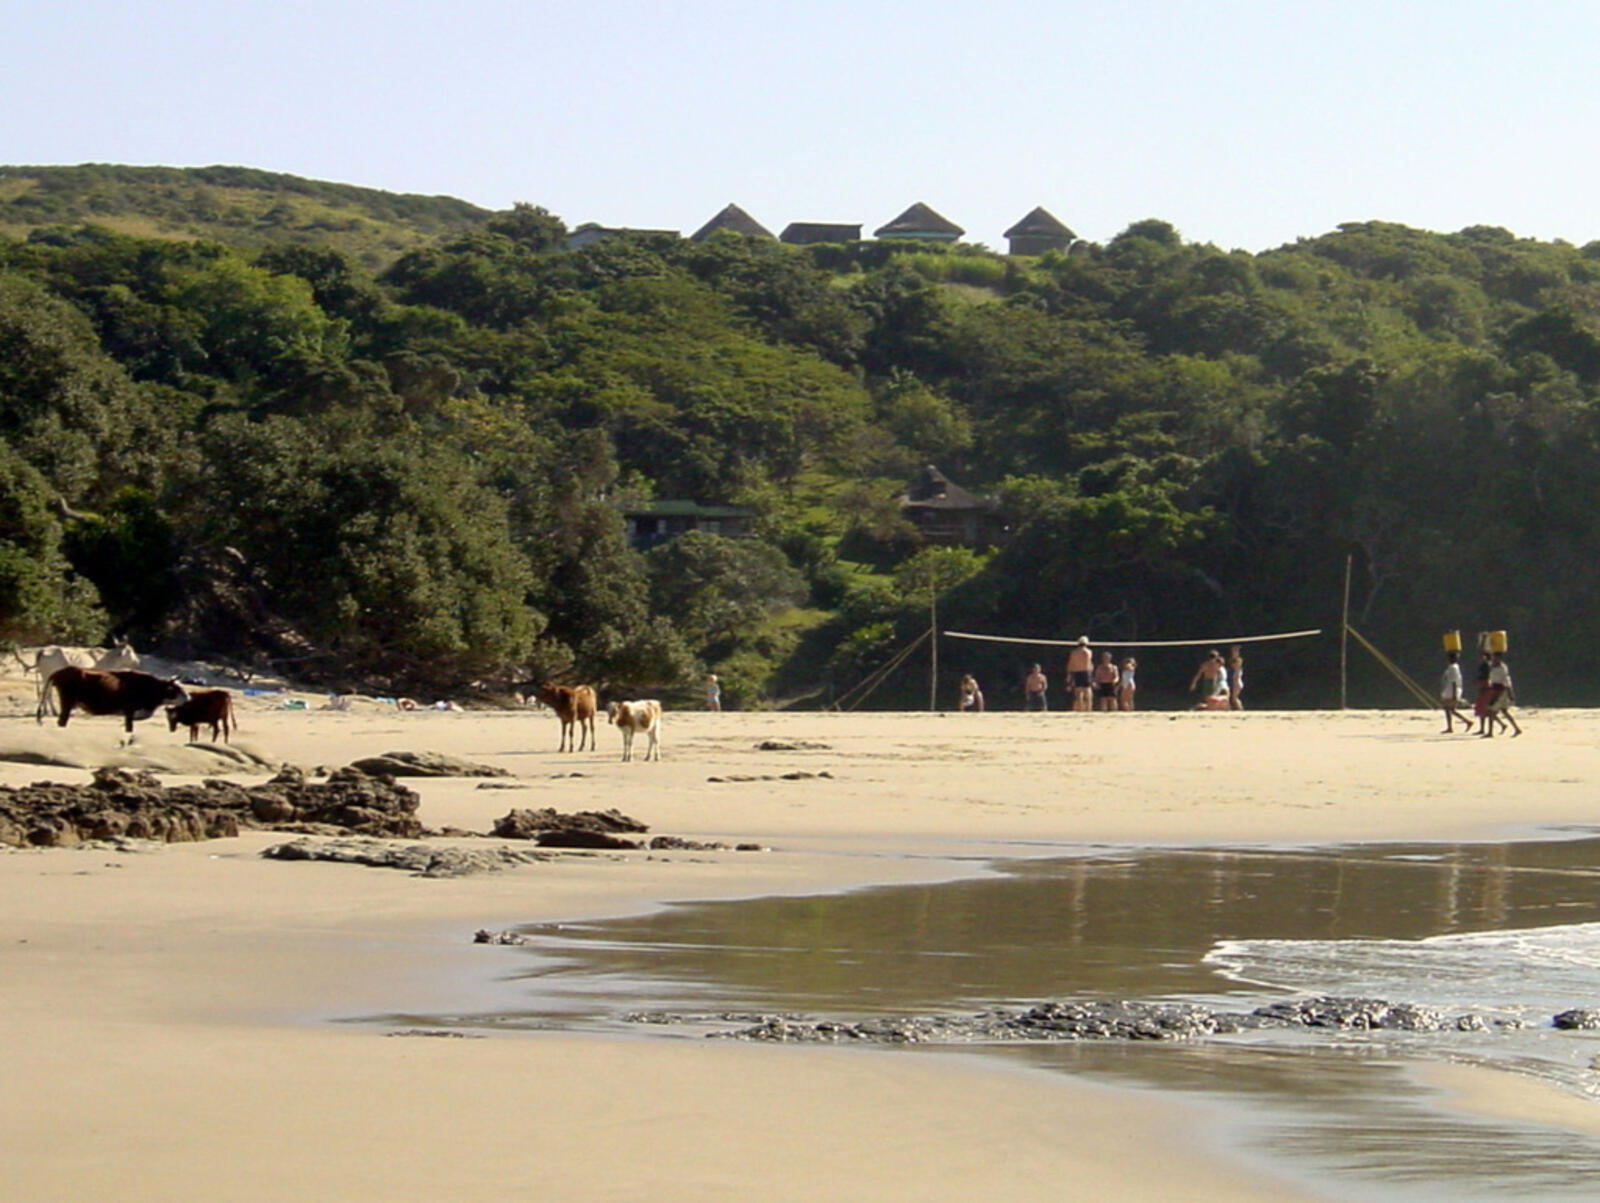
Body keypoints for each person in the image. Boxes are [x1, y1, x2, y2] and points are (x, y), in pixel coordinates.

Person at [1481, 651, 1522, 738]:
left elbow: (1506, 681)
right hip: (1495, 688)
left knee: (1491, 710)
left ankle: (1490, 732)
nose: (1493, 659)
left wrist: (1510, 693)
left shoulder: (1502, 667)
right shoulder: (1492, 666)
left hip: (1501, 690)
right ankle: (1516, 728)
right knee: (1503, 711)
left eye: (1495, 657)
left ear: (1499, 658)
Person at [1438, 650, 1472, 733]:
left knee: (1448, 709)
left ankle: (1451, 727)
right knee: (1451, 710)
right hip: (1451, 691)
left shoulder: (1453, 668)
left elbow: (1454, 682)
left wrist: (1454, 695)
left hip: (1451, 692)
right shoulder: (1454, 667)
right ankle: (1466, 722)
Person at [1066, 636, 1094, 712]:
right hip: (1086, 672)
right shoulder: (1088, 652)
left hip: (1077, 672)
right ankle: (1088, 709)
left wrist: (1069, 674)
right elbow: (1090, 664)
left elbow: (1071, 664)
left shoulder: (1074, 653)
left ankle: (1080, 709)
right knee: (1087, 691)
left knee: (1078, 692)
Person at [1227, 645, 1245, 711]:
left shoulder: (1238, 663)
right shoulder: (1236, 666)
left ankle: (1241, 709)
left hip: (1237, 683)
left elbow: (1235, 660)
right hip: (1236, 683)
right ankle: (1238, 709)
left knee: (1234, 698)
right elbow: (1233, 660)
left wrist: (1235, 651)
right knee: (1233, 698)